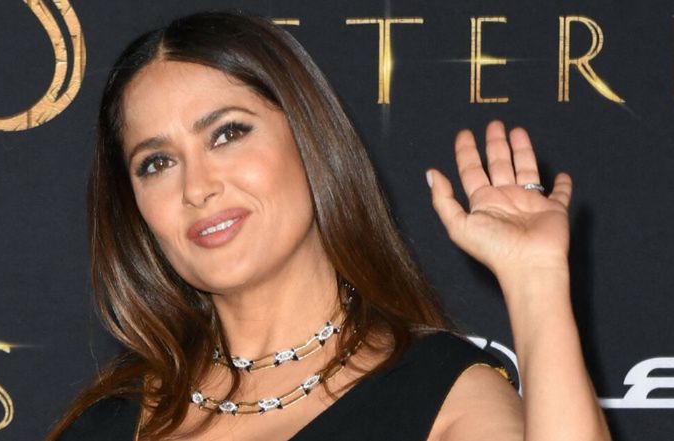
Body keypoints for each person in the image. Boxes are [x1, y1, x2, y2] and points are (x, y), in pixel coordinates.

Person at [48, 10, 611, 441]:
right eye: (157, 163)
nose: (196, 187)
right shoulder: (109, 420)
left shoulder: (441, 396)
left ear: (309, 140)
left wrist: (536, 282)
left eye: (227, 134)